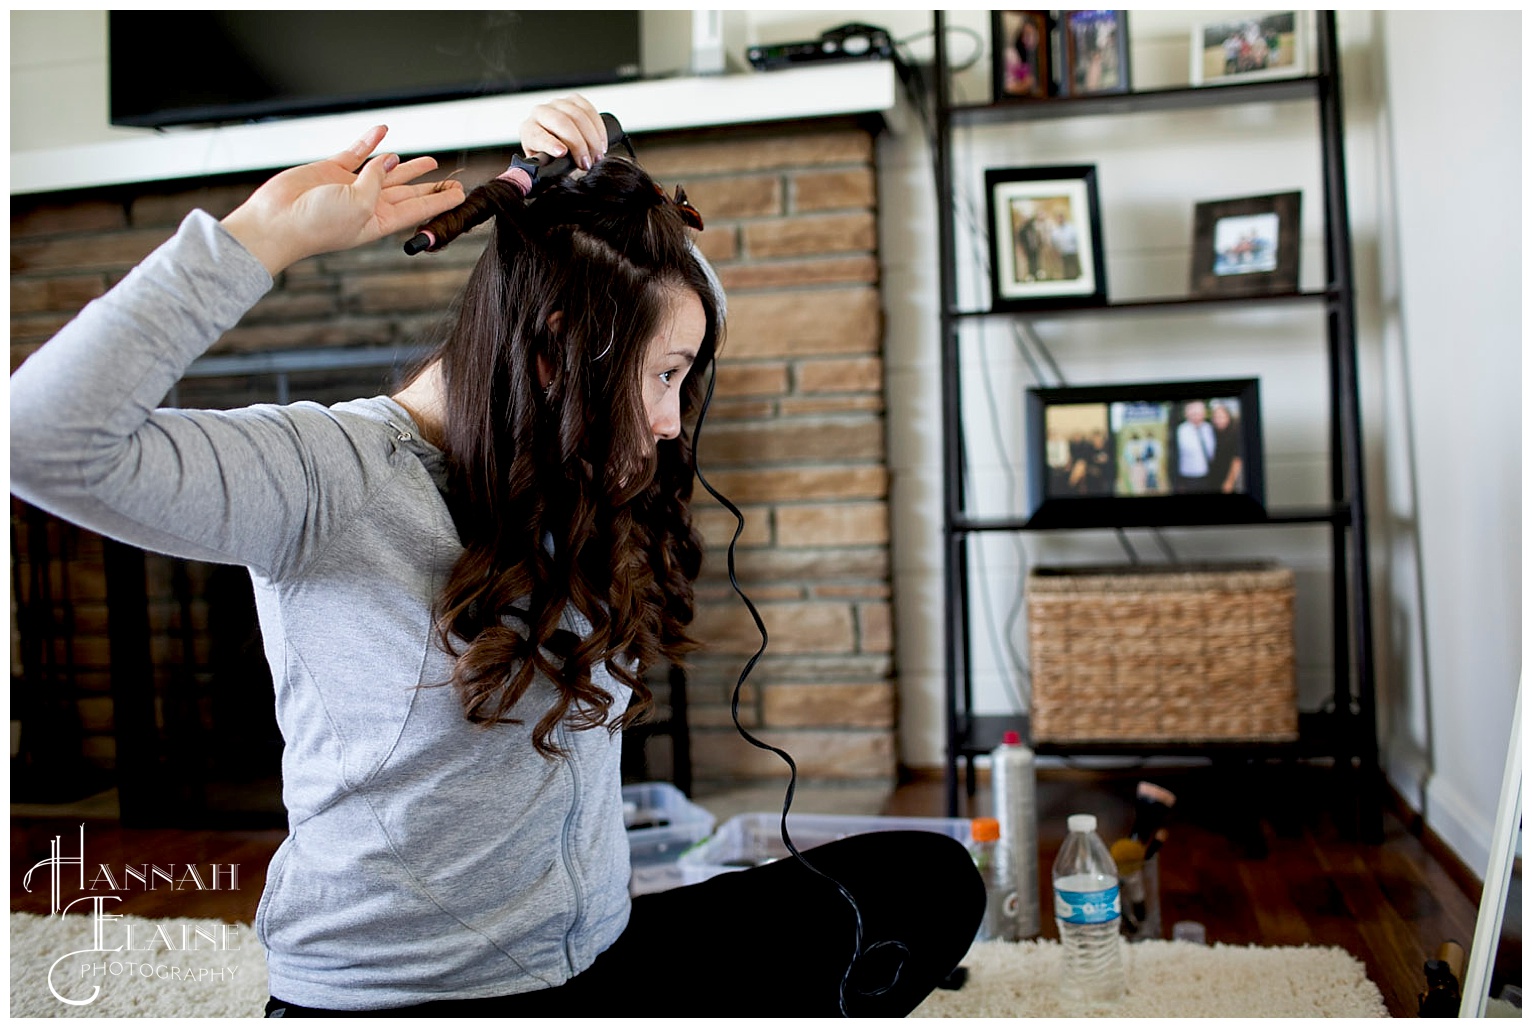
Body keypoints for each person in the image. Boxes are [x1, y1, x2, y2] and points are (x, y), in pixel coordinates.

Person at [10, 96, 983, 1016]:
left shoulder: (562, 466)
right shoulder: (326, 471)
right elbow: (37, 437)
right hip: (399, 999)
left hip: (587, 959)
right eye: (662, 378)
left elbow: (664, 287)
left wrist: (604, 174)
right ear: (560, 351)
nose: (668, 420)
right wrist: (265, 235)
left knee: (923, 881)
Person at [1173, 399, 1216, 492]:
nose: (1196, 416)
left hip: (1207, 475)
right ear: (1187, 414)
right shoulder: (1181, 430)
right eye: (1193, 413)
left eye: (1199, 413)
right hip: (1188, 477)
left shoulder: (1208, 427)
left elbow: (1212, 450)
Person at [1206, 401, 1245, 494]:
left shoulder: (1236, 431)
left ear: (1228, 417)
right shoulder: (1211, 430)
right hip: (1214, 476)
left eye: (1222, 417)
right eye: (1216, 417)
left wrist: (1229, 482)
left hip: (1230, 475)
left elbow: (1237, 459)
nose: (1219, 420)